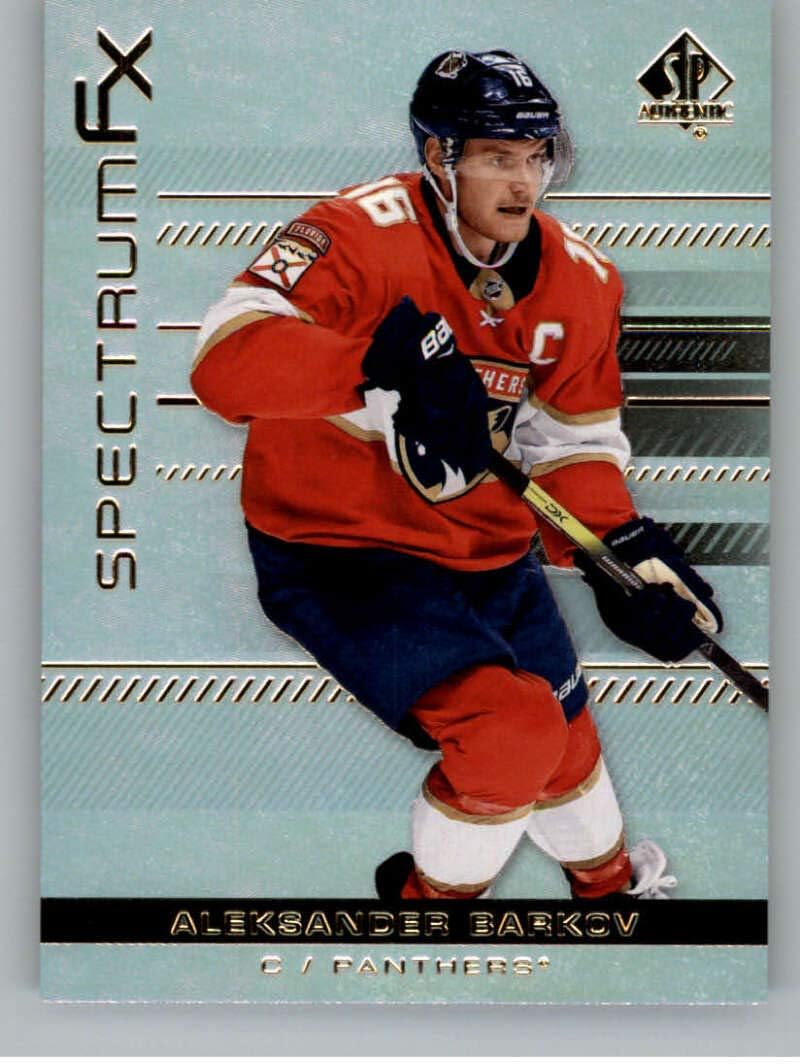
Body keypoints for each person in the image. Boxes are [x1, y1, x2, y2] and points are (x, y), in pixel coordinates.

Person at [191, 49, 722, 901]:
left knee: (569, 749)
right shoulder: (356, 233)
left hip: (488, 557)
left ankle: (610, 890)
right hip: (344, 551)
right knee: (510, 734)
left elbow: (571, 444)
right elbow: (223, 362)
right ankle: (428, 916)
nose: (523, 181)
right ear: (439, 156)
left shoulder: (583, 282)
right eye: (497, 157)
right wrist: (368, 363)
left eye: (536, 157)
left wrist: (623, 554)